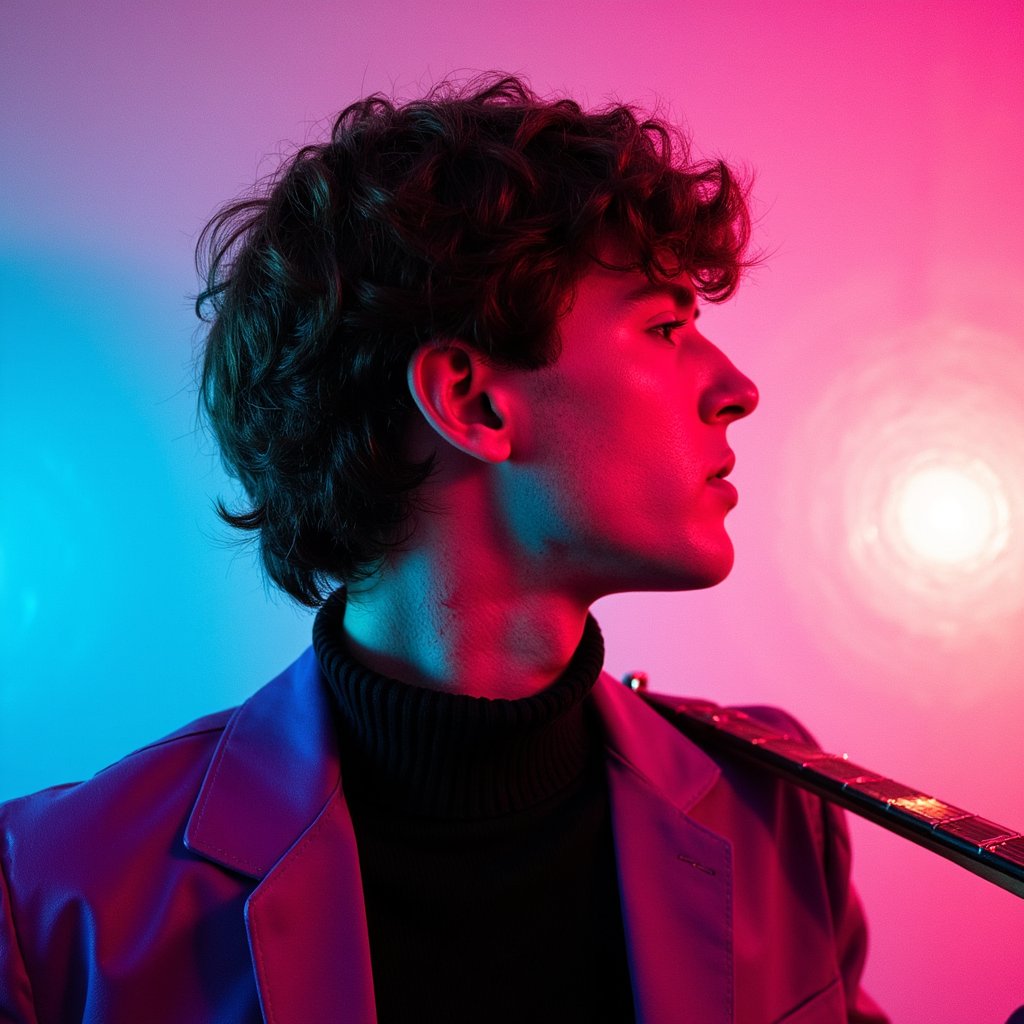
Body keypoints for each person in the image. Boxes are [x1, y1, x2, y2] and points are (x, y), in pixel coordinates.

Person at [0, 74, 888, 1023]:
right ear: (470, 401)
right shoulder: (53, 893)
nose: (738, 387)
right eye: (666, 326)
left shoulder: (776, 808)